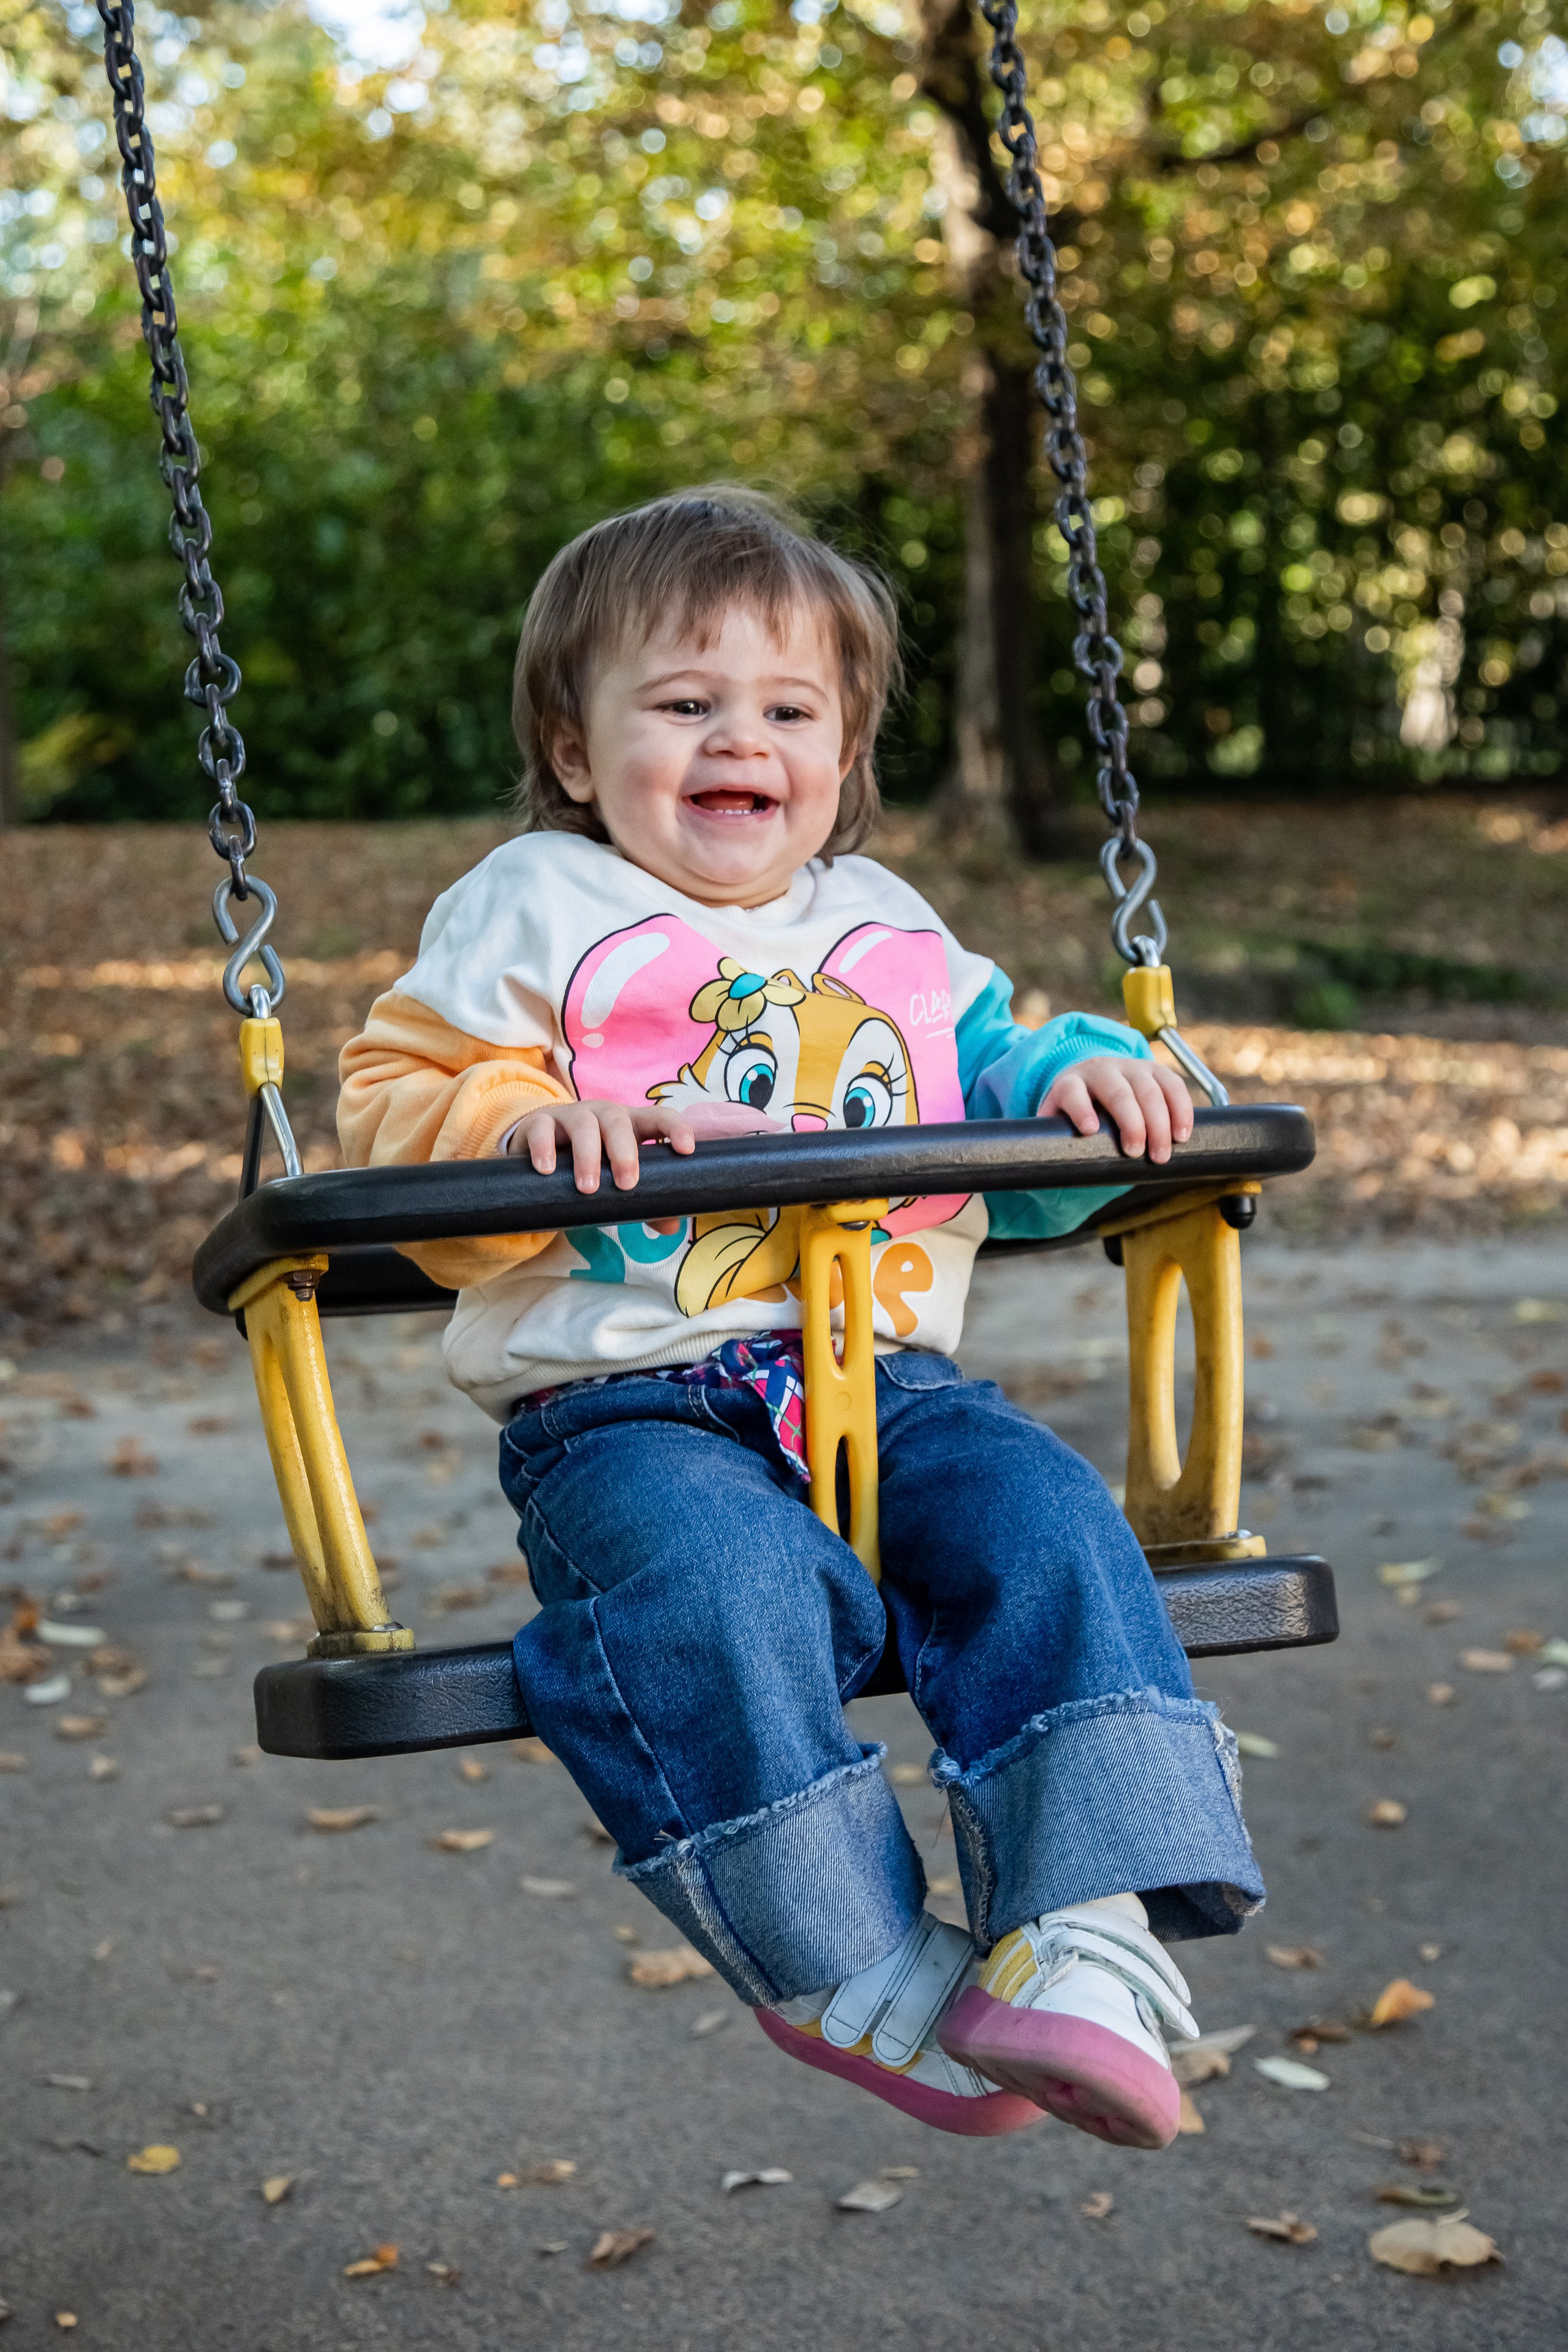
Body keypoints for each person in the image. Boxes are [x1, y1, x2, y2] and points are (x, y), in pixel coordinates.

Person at [337, 488, 1262, 2149]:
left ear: (843, 752)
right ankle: (842, 1954)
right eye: (684, 702)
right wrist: (522, 1124)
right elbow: (393, 1097)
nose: (738, 740)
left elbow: (996, 1084)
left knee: (1048, 1521)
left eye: (788, 709)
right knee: (722, 1589)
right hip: (629, 1406)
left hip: (888, 1382)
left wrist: (1086, 1080)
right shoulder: (532, 903)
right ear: (573, 747)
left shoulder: (886, 926)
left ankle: (1080, 1927)